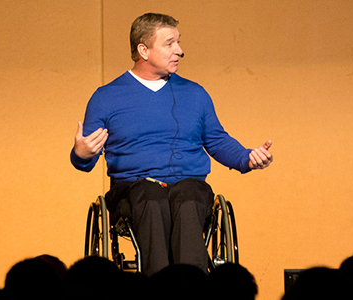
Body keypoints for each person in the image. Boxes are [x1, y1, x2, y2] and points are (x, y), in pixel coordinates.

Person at [70, 12, 273, 275]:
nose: (179, 50)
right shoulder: (107, 97)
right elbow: (84, 159)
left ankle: (190, 285)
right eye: (169, 44)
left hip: (188, 185)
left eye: (178, 42)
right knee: (151, 198)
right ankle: (160, 288)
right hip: (134, 189)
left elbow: (216, 140)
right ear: (143, 50)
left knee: (189, 196)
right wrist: (82, 153)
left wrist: (247, 158)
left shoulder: (195, 93)